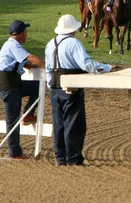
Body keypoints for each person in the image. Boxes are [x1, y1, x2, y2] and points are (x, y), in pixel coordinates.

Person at [45, 14, 113, 166]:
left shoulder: (50, 44)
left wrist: (52, 87)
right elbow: (87, 64)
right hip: (71, 87)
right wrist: (107, 68)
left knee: (59, 123)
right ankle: (74, 158)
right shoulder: (73, 43)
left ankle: (60, 158)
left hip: (55, 88)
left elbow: (48, 69)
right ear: (72, 30)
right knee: (74, 123)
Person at [0, 20, 45, 160]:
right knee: (12, 120)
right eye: (26, 32)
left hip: (12, 84)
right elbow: (29, 58)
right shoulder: (13, 45)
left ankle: (28, 114)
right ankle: (15, 153)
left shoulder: (10, 45)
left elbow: (27, 64)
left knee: (37, 87)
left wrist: (37, 65)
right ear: (22, 33)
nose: (27, 35)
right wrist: (47, 66)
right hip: (9, 86)